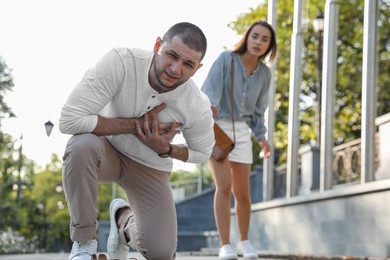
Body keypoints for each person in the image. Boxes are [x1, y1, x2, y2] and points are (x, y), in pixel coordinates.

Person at [59, 22, 214, 260]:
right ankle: (84, 244)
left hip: (151, 166)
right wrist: (134, 125)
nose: (175, 69)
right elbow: (69, 120)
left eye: (188, 64)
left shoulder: (196, 104)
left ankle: (122, 219)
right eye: (172, 55)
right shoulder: (121, 62)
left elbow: (203, 152)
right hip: (105, 151)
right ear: (157, 45)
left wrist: (167, 149)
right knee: (80, 146)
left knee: (161, 254)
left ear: (197, 68)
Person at [201, 20, 277, 260]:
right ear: (247, 37)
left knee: (242, 193)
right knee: (223, 186)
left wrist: (262, 137)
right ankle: (225, 245)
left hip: (243, 132)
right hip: (217, 130)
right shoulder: (226, 60)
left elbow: (258, 110)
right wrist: (210, 107)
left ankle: (244, 241)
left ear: (269, 46)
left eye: (265, 39)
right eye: (255, 36)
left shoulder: (264, 74)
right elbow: (207, 91)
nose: (258, 42)